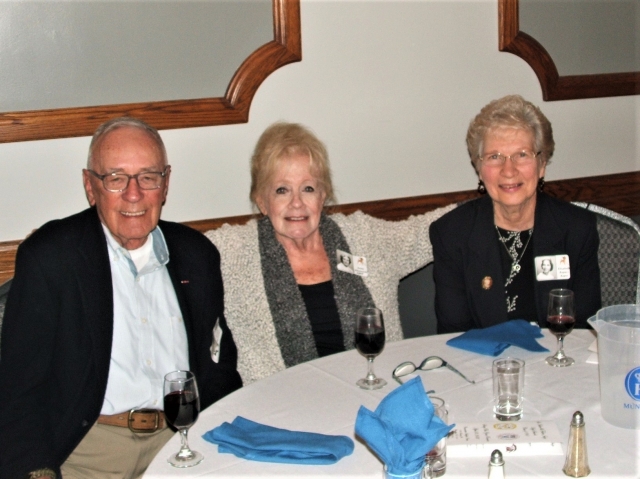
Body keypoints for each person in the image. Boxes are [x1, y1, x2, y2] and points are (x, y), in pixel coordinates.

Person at [0, 118, 242, 479]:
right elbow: (18, 392)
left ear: (166, 183)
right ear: (90, 186)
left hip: (179, 442)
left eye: (148, 177)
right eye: (116, 178)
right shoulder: (52, 258)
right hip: (87, 451)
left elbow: (219, 369)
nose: (134, 194)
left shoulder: (197, 255)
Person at [206, 122, 455, 384]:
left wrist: (494, 200)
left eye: (308, 188)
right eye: (282, 190)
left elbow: (431, 231)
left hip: (377, 394)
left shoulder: (366, 238)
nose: (297, 203)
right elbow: (176, 252)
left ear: (323, 195)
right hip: (282, 410)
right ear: (261, 201)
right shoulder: (232, 253)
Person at [429, 95, 601, 334]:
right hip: (483, 365)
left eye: (522, 154)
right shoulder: (451, 234)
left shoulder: (576, 228)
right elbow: (454, 332)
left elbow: (584, 329)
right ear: (479, 169)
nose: (508, 170)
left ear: (541, 165)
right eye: (494, 157)